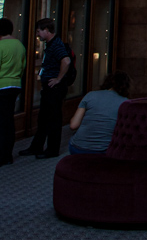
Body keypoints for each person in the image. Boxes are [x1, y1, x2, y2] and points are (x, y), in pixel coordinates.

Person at [18, 18, 71, 159]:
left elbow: (66, 61)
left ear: (47, 31)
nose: (38, 34)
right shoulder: (51, 44)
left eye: (39, 31)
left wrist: (58, 78)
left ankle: (52, 150)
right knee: (43, 118)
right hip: (49, 86)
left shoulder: (56, 45)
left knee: (53, 118)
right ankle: (37, 146)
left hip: (54, 87)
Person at [68, 72, 131, 154]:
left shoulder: (90, 95)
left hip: (77, 148)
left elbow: (73, 125)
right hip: (103, 151)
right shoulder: (125, 102)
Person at [0, 17, 26, 166]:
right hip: (15, 85)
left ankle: (2, 155)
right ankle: (7, 154)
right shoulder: (19, 45)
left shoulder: (1, 46)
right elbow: (22, 67)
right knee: (9, 120)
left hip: (1, 86)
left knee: (1, 122)